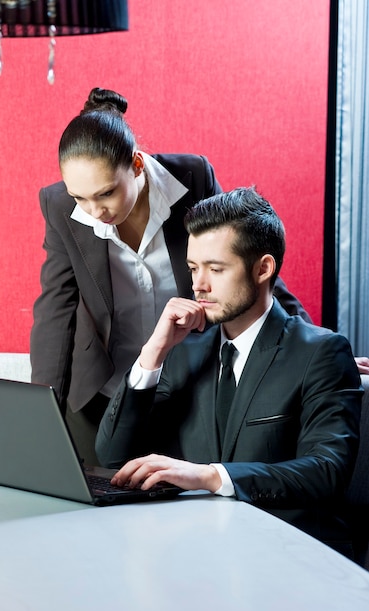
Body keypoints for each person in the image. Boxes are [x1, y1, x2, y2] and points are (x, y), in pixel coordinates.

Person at [30, 87, 312, 466]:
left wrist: (311, 345)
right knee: (94, 510)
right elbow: (55, 311)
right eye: (80, 198)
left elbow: (245, 264)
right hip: (102, 389)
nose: (94, 210)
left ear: (136, 165)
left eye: (106, 193)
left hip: (188, 381)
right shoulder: (59, 206)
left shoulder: (191, 178)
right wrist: (41, 409)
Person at [95, 186, 363, 558]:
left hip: (292, 555)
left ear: (263, 268)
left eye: (215, 269)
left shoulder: (321, 352)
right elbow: (112, 454)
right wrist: (152, 352)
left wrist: (211, 476)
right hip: (198, 551)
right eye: (193, 268)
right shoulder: (182, 351)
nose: (198, 285)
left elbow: (326, 471)